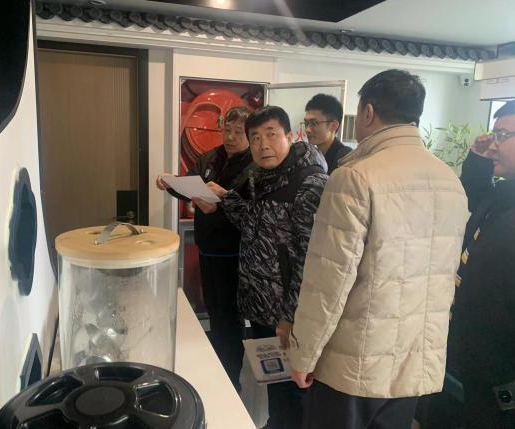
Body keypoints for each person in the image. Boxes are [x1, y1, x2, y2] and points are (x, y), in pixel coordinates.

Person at [289, 69, 470, 429]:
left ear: (368, 112)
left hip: (353, 366)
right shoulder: (450, 180)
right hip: (412, 365)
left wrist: (303, 353)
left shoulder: (354, 177)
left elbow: (328, 282)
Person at [203, 105, 327, 429]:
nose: (263, 145)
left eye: (271, 134)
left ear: (290, 135)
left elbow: (311, 257)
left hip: (288, 314)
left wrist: (290, 315)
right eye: (255, 137)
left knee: (294, 392)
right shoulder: (260, 176)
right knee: (276, 384)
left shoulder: (310, 181)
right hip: (261, 304)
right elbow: (253, 223)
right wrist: (225, 199)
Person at [156, 106, 253, 390]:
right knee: (214, 312)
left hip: (234, 254)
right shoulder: (209, 157)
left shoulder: (253, 166)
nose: (231, 137)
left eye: (238, 132)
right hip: (207, 247)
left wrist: (220, 204)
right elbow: (189, 186)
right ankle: (218, 369)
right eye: (227, 131)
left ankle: (231, 380)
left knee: (229, 318)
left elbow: (249, 210)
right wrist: (169, 182)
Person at [446, 100, 515, 428]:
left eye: (504, 135)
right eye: (494, 133)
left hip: (502, 370)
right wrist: (477, 157)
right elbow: (475, 196)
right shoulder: (503, 195)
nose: (495, 143)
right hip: (475, 356)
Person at [304, 93, 352, 174]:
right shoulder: (312, 156)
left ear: (334, 126)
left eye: (314, 123)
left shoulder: (344, 159)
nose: (307, 129)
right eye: (306, 123)